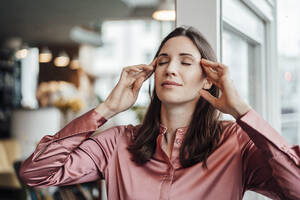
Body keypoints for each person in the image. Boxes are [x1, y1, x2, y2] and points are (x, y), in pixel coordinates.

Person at [19, 26, 300, 200]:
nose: (170, 69)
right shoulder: (118, 143)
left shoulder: (235, 143)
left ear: (207, 79)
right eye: (163, 61)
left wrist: (241, 110)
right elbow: (36, 174)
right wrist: (107, 108)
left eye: (186, 62)